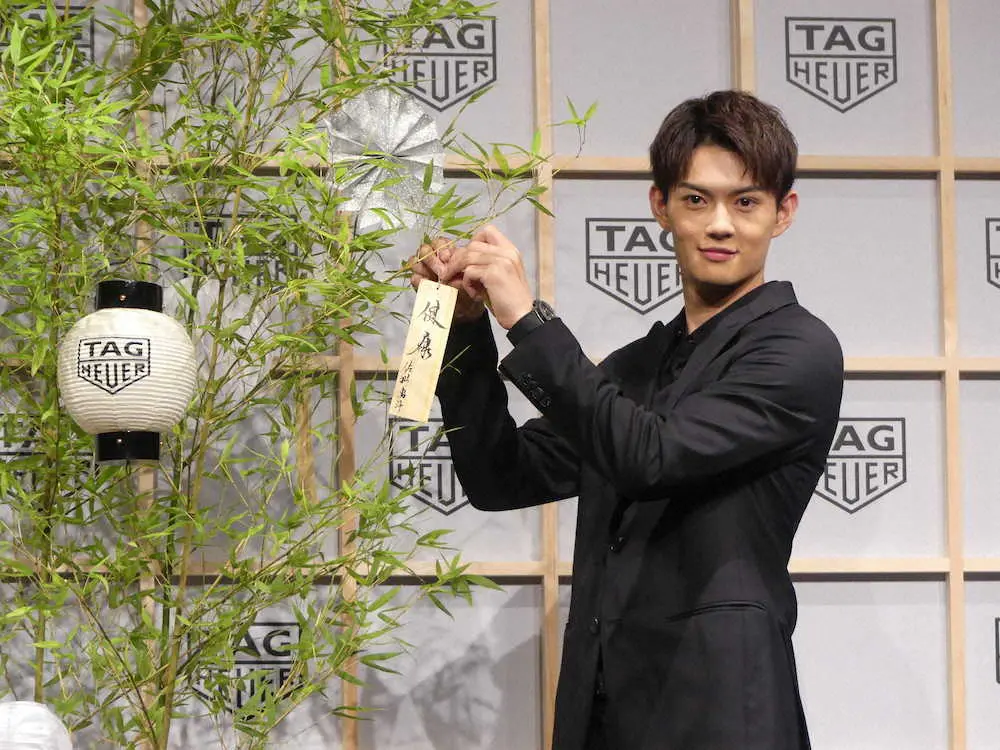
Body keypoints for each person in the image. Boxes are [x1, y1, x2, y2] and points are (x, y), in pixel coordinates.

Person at [407, 89, 844, 750]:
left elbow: (651, 457)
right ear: (660, 206)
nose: (719, 225)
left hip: (723, 714)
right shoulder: (637, 365)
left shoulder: (797, 349)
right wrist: (462, 329)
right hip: (602, 713)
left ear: (783, 213)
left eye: (745, 202)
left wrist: (528, 319)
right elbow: (501, 478)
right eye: (696, 200)